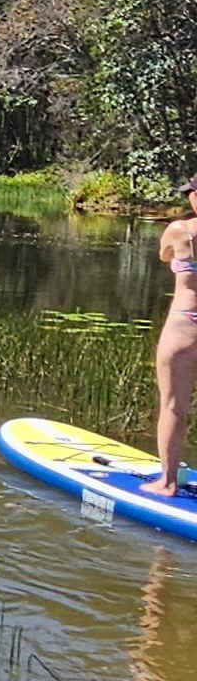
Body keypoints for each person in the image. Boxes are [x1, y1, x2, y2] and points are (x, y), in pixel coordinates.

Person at [151, 176, 197, 496]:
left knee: (173, 407)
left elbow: (164, 255)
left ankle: (166, 483)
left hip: (185, 323)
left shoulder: (180, 230)